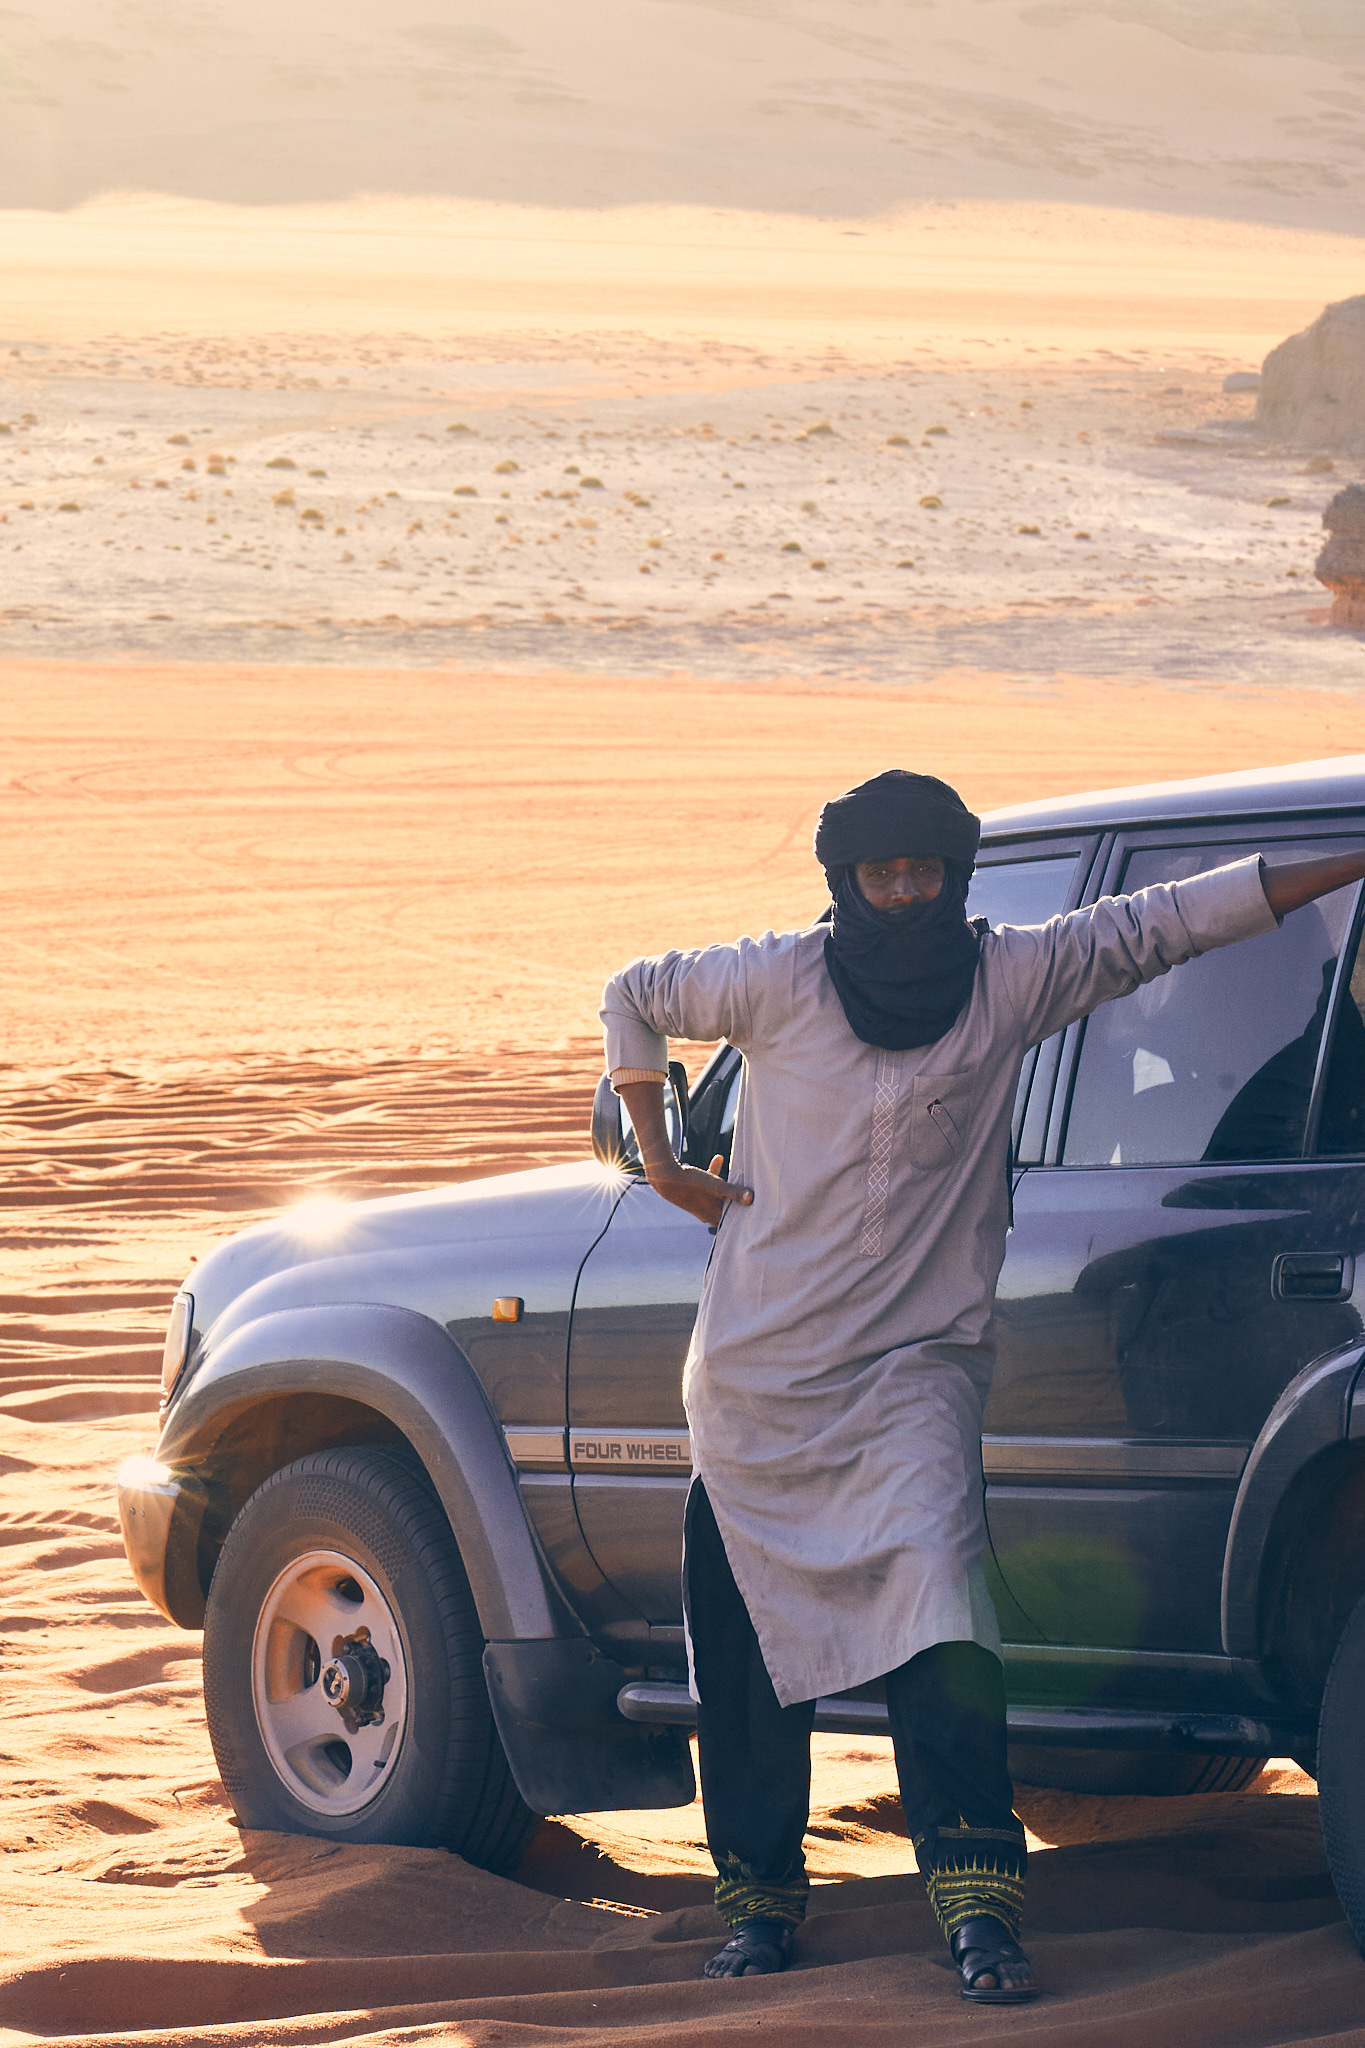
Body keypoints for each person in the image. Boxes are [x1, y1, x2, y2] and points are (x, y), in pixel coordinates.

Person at [600, 769, 1365, 2004]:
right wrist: (663, 1155)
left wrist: (1349, 859)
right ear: (842, 882)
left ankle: (976, 1905)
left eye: (924, 874)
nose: (902, 894)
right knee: (742, 1649)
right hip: (759, 1380)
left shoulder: (1011, 973)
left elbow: (1171, 920)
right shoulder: (775, 978)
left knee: (946, 1623)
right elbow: (633, 993)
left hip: (917, 1367)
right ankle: (756, 1901)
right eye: (878, 875)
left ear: (956, 880)